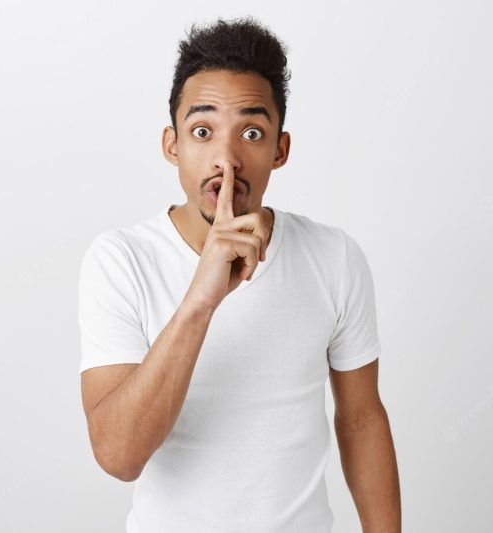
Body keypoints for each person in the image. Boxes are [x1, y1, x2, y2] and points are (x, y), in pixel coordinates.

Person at [77, 16, 401, 533]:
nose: (226, 160)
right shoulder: (120, 259)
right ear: (171, 145)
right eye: (202, 131)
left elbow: (361, 420)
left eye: (251, 132)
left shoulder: (334, 256)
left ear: (280, 149)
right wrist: (201, 300)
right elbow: (118, 456)